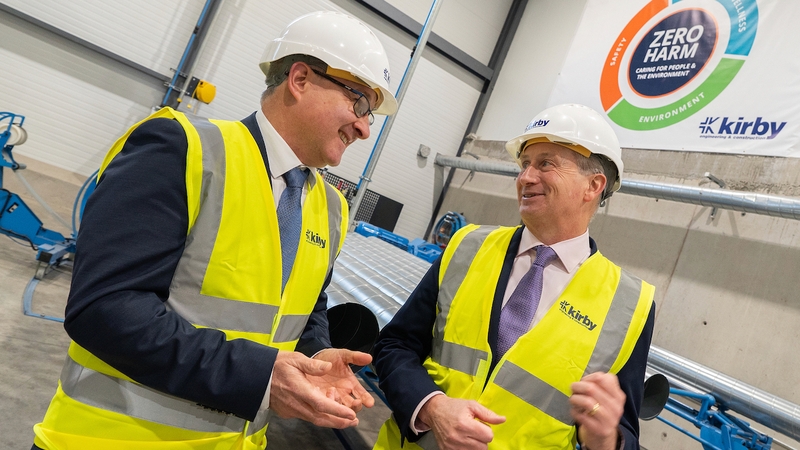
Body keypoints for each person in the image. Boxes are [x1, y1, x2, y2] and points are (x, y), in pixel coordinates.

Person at [31, 10, 398, 450]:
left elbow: (305, 308)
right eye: (359, 102)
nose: (363, 127)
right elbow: (105, 308)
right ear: (300, 79)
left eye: (371, 115)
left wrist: (316, 355)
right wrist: (260, 375)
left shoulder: (331, 207)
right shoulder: (182, 149)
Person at [372, 103, 656, 450]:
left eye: (546, 164)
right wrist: (432, 406)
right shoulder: (467, 247)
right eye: (524, 165)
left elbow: (623, 431)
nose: (526, 177)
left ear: (593, 185)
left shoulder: (629, 305)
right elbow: (394, 345)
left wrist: (607, 440)